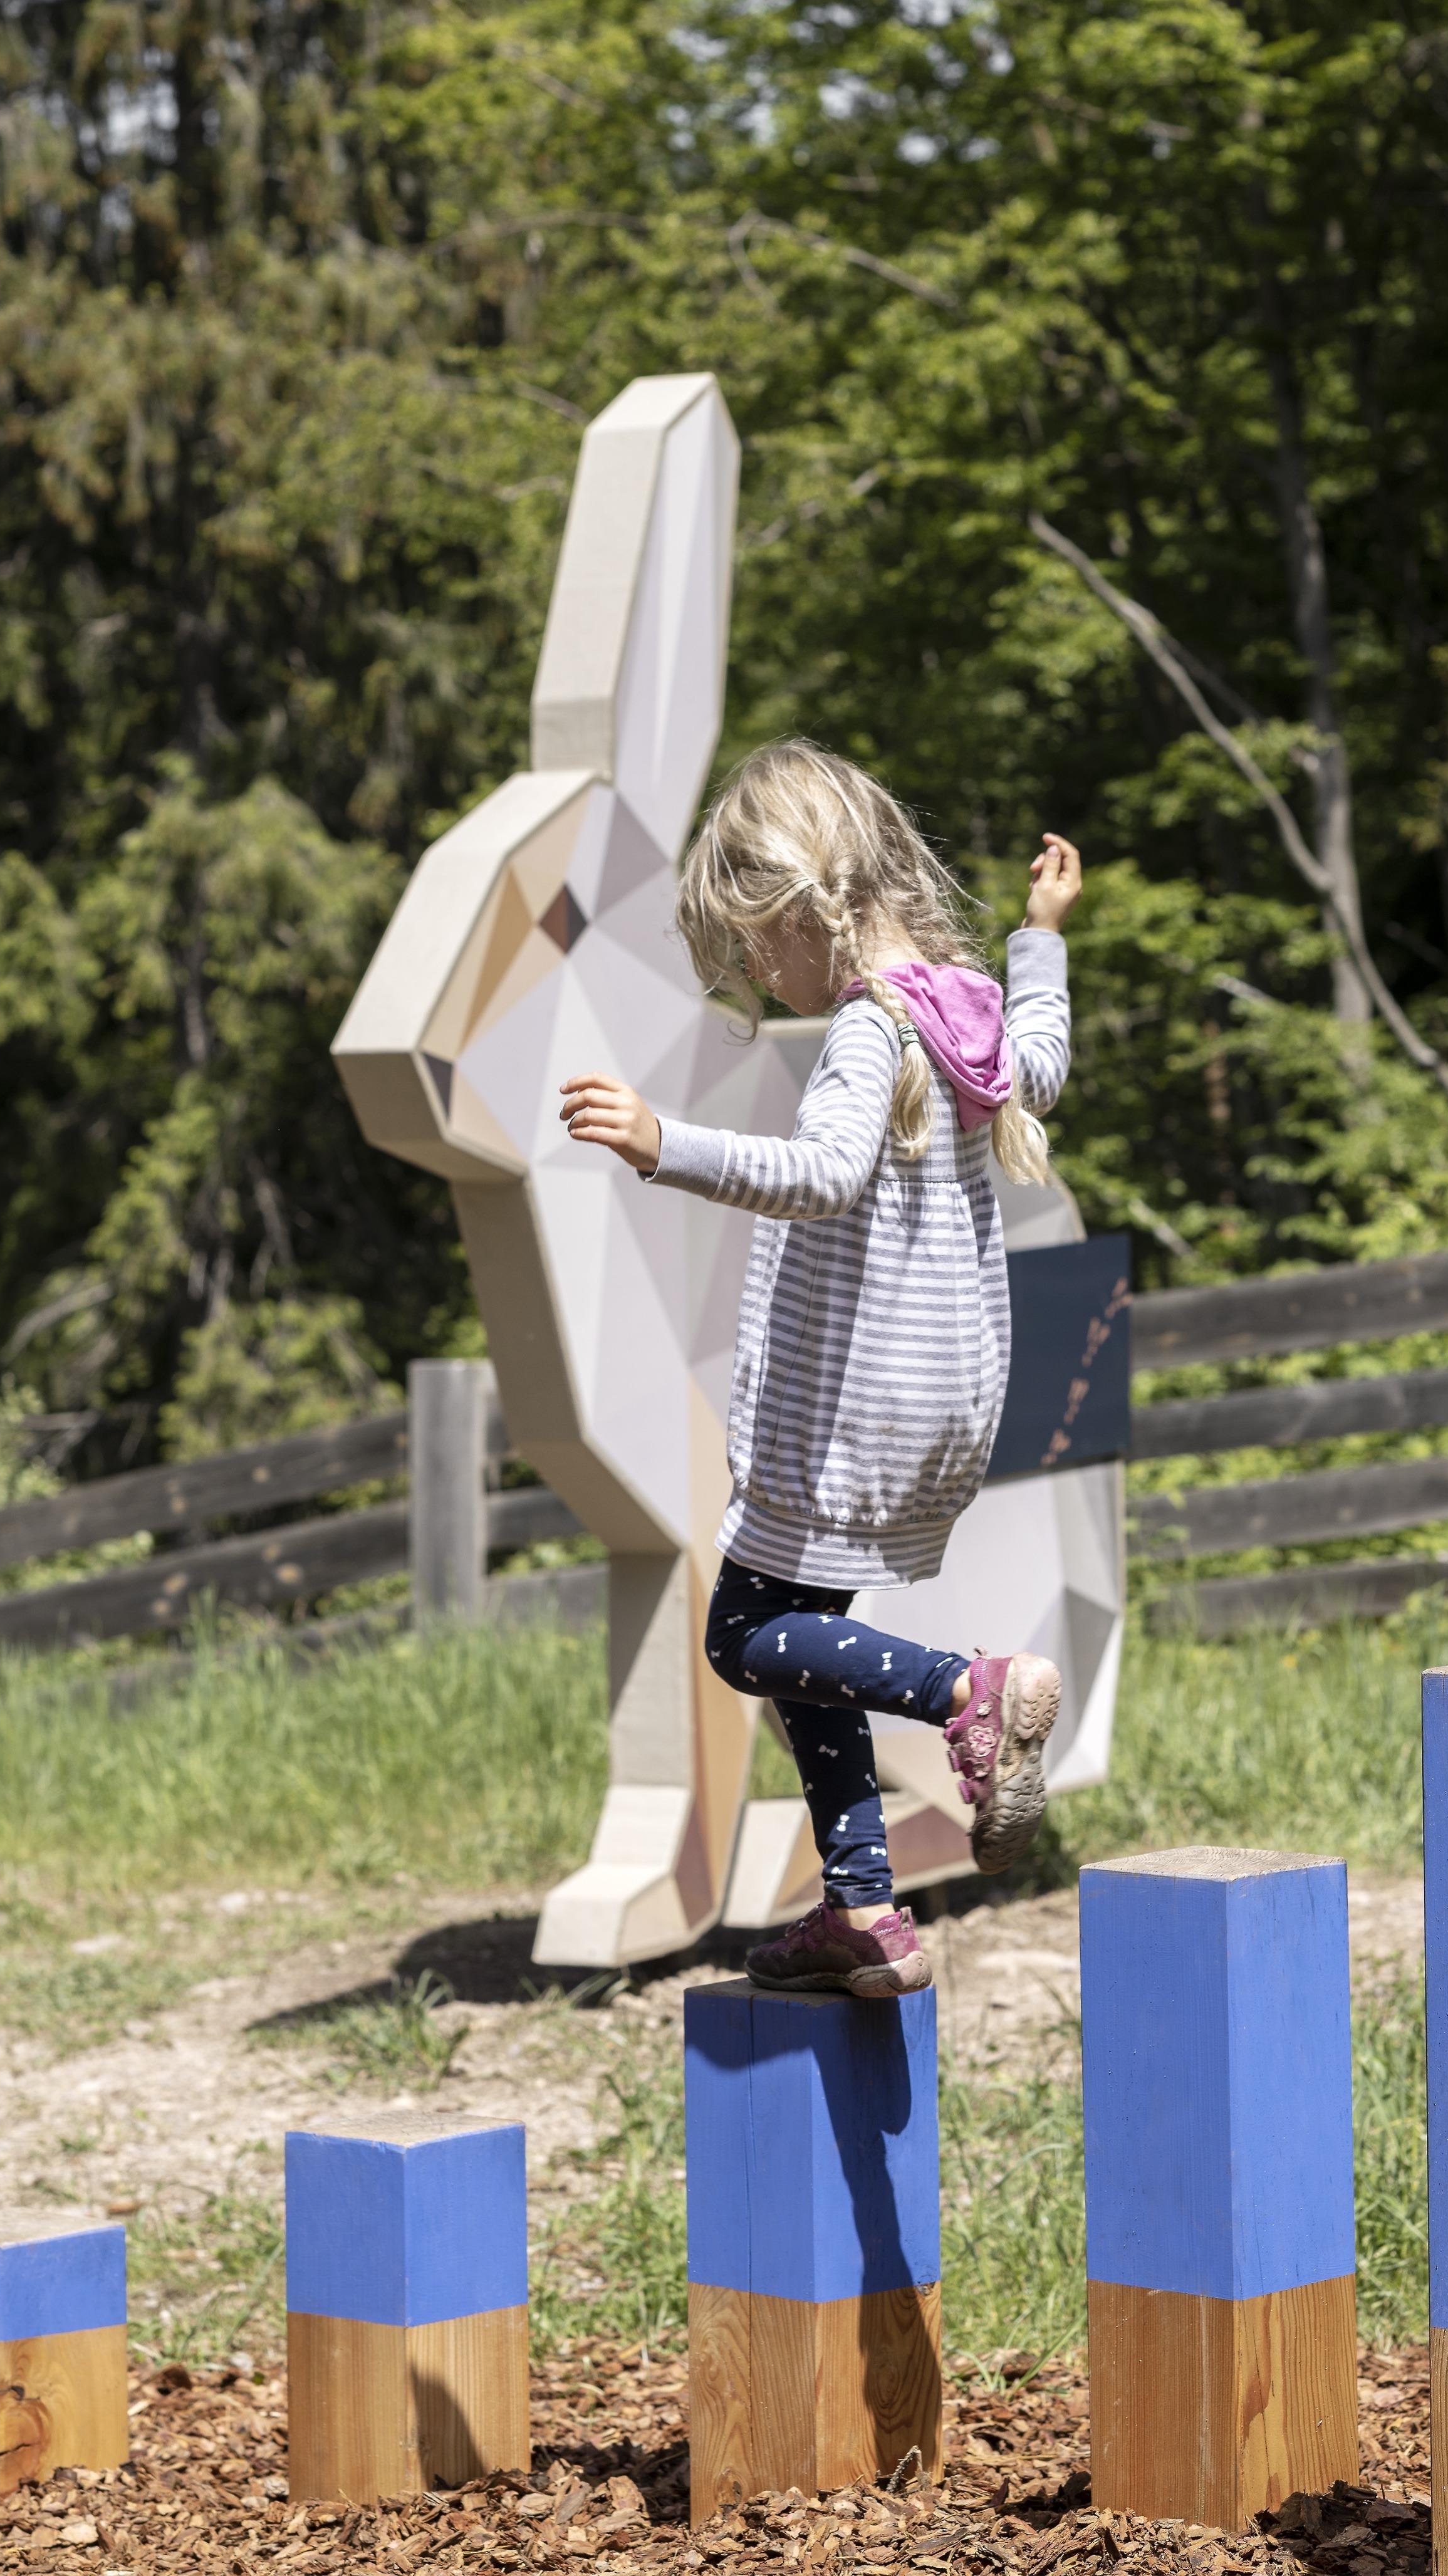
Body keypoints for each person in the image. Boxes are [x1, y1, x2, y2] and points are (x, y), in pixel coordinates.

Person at [559, 739, 1080, 1998]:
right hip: (951, 1396)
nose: (760, 978)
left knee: (744, 1638)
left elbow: (824, 1173)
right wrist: (1042, 938)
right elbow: (1045, 1067)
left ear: (806, 908)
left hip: (849, 1409)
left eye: (755, 950)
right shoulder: (965, 1003)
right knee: (809, 1640)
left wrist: (658, 1142)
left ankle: (971, 1692)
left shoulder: (866, 1026)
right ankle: (861, 1910)